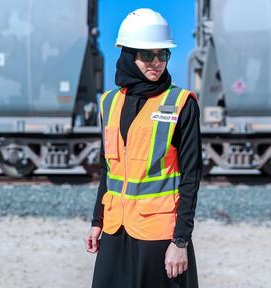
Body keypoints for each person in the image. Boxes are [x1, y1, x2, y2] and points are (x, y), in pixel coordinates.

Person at [85, 8, 202, 288]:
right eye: (147, 55)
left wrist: (180, 241)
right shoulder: (109, 103)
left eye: (163, 54)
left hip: (159, 235)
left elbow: (190, 178)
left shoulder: (181, 103)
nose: (156, 62)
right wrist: (97, 221)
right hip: (115, 228)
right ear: (128, 56)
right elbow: (108, 170)